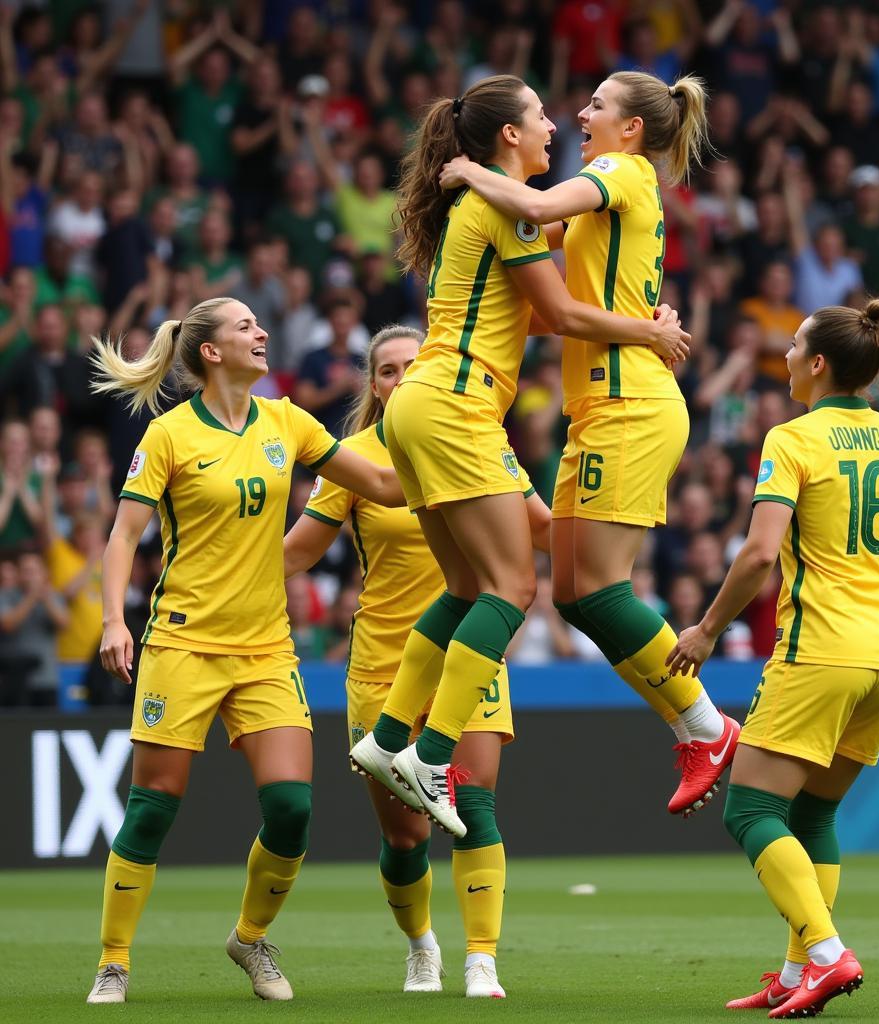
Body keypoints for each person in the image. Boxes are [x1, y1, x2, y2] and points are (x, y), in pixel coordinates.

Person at [349, 74, 690, 837]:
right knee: (514, 589)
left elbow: (534, 317)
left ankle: (388, 736)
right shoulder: (506, 206)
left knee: (470, 586)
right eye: (540, 116)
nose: (556, 125)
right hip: (458, 406)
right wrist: (653, 334)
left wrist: (638, 313)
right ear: (509, 137)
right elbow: (566, 311)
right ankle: (429, 754)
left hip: (420, 404)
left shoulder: (489, 211)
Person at [83, 296, 405, 1005]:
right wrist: (114, 620)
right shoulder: (168, 435)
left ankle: (251, 937)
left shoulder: (287, 419)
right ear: (211, 352)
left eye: (261, 323)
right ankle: (113, 961)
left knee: (292, 807)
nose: (263, 333)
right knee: (152, 807)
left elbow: (380, 482)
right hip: (184, 642)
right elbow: (122, 536)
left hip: (265, 647)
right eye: (245, 326)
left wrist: (451, 454)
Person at [438, 71, 740, 816]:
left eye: (598, 105)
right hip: (601, 407)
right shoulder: (617, 192)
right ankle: (694, 725)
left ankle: (706, 724)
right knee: (572, 592)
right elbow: (556, 308)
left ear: (630, 128)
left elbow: (535, 206)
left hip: (630, 405)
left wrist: (469, 169)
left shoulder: (615, 171)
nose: (580, 112)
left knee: (599, 589)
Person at [667, 297, 879, 1018]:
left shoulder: (792, 438)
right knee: (815, 818)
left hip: (821, 649)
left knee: (750, 809)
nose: (788, 357)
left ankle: (828, 955)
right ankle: (798, 969)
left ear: (820, 363)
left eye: (796, 348)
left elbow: (761, 552)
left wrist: (706, 628)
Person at [286, 324, 550, 999]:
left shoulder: (481, 441)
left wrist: (607, 508)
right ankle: (421, 946)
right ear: (373, 385)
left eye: (412, 365)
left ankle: (482, 960)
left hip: (470, 659)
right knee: (405, 838)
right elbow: (298, 552)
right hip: (383, 666)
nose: (401, 379)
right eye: (387, 370)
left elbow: (543, 527)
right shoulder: (358, 460)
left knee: (473, 806)